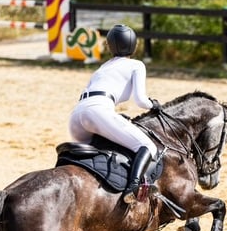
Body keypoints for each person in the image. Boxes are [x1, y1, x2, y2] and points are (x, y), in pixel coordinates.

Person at [68, 24, 161, 204]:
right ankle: (133, 188)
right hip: (98, 111)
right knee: (148, 146)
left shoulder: (102, 68)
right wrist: (154, 104)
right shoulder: (136, 65)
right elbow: (140, 100)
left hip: (77, 116)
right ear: (133, 45)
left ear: (110, 45)